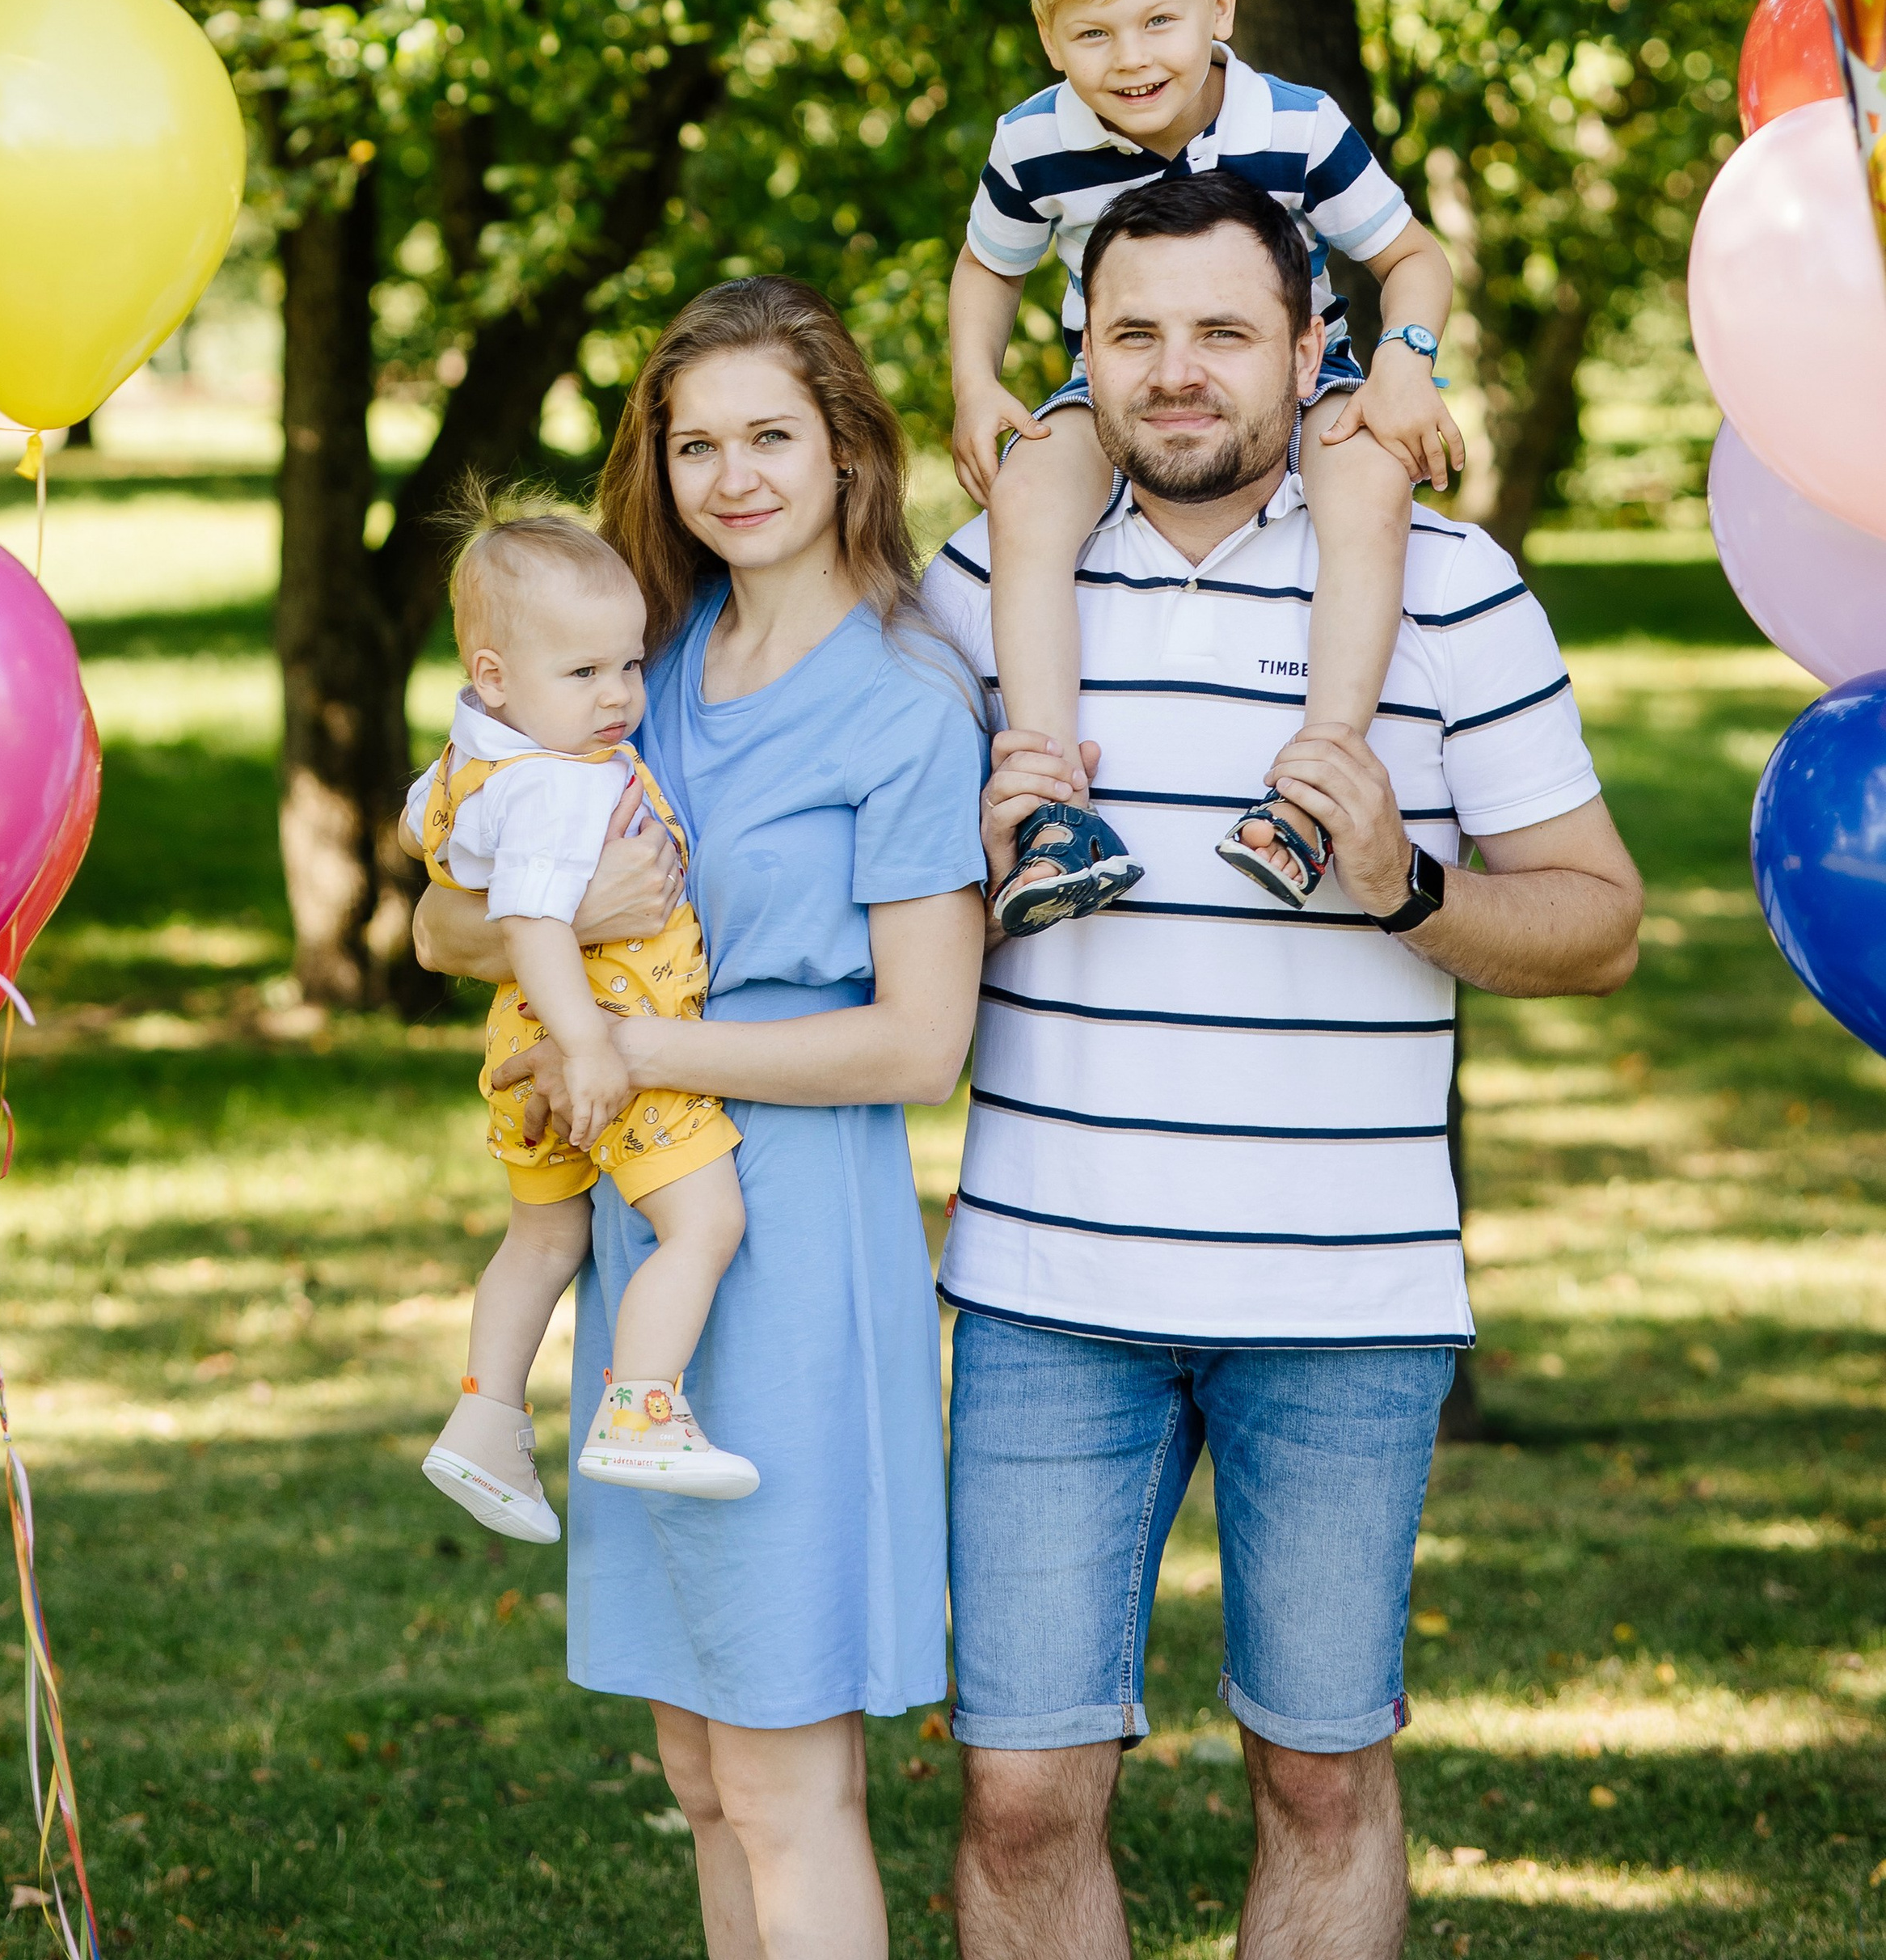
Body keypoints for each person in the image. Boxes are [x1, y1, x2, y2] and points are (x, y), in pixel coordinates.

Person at [922, 167, 1642, 1960]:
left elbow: (1600, 921)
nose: (1175, 371)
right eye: (1131, 332)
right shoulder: (974, 585)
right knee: (1016, 1788)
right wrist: (968, 862)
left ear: (1311, 346)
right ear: (1076, 349)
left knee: (1317, 1775)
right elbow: (842, 886)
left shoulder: (1446, 584)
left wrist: (1404, 887)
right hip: (1040, 1282)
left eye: (1222, 330)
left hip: (1342, 1293)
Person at [413, 275, 988, 1960]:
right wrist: (563, 948)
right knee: (697, 1757)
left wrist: (633, 1048)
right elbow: (448, 916)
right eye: (693, 443)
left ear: (845, 448)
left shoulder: (900, 699)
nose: (731, 475)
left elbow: (917, 1041)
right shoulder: (635, 668)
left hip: (791, 1246)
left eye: (769, 436)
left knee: (784, 1762)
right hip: (638, 1235)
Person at [947, 0, 1464, 931]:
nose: (1128, 59)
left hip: (1294, 374)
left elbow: (1413, 256)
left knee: (1369, 489)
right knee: (1030, 499)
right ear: (1052, 38)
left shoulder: (1297, 125)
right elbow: (988, 267)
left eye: (1156, 22)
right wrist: (972, 382)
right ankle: (1051, 814)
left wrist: (1409, 361)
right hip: (1117, 380)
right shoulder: (1034, 142)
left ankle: (1311, 794)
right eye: (1091, 33)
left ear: (1217, 6)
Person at [407, 485, 756, 1544]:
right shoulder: (565, 784)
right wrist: (591, 1045)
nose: (617, 697)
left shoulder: (474, 762)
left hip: (517, 1043)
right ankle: (644, 1403)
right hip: (598, 1032)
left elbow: (430, 832)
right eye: (584, 672)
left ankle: (485, 1417)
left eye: (628, 664)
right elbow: (531, 917)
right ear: (495, 676)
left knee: (543, 1234)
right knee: (705, 1220)